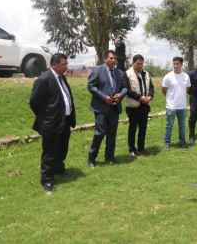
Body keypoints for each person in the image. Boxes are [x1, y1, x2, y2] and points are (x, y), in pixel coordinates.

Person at [29, 53, 76, 193]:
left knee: (62, 148)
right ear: (54, 64)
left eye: (66, 64)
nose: (66, 67)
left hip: (65, 120)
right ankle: (47, 179)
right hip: (51, 123)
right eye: (63, 65)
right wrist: (45, 117)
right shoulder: (44, 79)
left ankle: (59, 169)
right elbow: (33, 102)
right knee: (49, 152)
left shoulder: (63, 78)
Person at [87, 50, 127, 167]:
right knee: (99, 133)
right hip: (101, 108)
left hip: (114, 108)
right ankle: (92, 159)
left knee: (112, 134)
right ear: (105, 59)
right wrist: (104, 97)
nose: (113, 60)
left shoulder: (120, 73)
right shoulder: (97, 70)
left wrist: (121, 95)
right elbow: (91, 86)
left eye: (115, 58)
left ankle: (109, 157)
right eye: (111, 58)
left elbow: (125, 87)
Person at [124, 54, 154, 156]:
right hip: (133, 106)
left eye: (141, 64)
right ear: (133, 63)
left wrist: (149, 97)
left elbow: (151, 87)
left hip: (145, 105)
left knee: (143, 128)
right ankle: (132, 149)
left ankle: (141, 148)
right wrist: (140, 97)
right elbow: (127, 90)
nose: (140, 66)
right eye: (138, 63)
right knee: (133, 129)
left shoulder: (146, 73)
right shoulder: (127, 74)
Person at [162, 56, 191, 151]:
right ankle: (167, 143)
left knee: (182, 125)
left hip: (182, 106)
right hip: (171, 106)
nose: (175, 65)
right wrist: (171, 99)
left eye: (177, 64)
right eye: (174, 63)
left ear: (181, 64)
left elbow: (187, 89)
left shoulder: (186, 76)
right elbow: (164, 90)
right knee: (169, 125)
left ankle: (182, 142)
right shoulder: (168, 76)